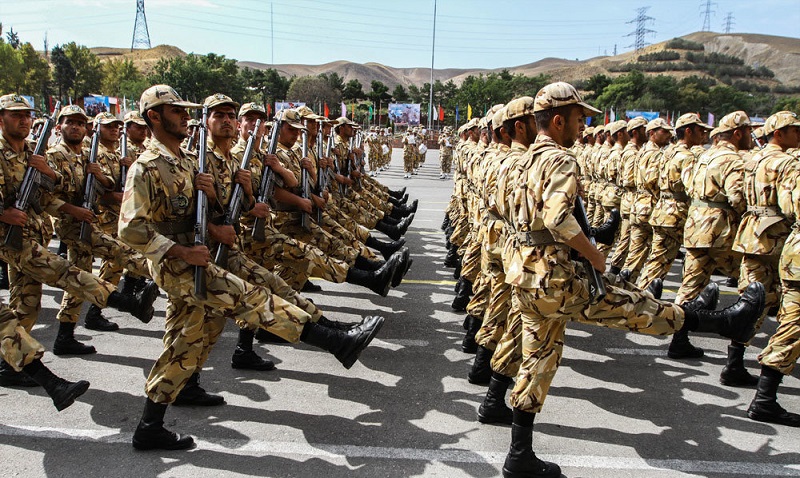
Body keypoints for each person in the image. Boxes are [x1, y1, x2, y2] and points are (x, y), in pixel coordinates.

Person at [497, 82, 765, 478]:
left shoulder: (514, 162)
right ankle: (721, 323)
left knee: (539, 359)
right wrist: (595, 255)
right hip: (555, 278)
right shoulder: (559, 160)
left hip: (524, 275)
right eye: (578, 118)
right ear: (557, 120)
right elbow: (557, 217)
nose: (583, 126)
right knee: (641, 309)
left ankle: (519, 456)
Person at [120, 86, 386, 451]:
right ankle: (336, 341)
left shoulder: (183, 161)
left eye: (185, 110)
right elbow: (131, 230)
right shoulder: (147, 166)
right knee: (253, 300)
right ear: (154, 116)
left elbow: (203, 214)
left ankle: (156, 419)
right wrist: (183, 249)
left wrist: (216, 202)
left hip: (206, 254)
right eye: (175, 111)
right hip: (178, 264)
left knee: (191, 335)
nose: (184, 116)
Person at [0, 95, 158, 387]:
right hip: (16, 238)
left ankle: (16, 362)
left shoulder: (33, 152)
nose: (22, 120)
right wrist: (4, 213)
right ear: (1, 119)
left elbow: (48, 191)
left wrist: (48, 172)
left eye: (25, 115)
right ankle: (128, 299)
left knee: (26, 304)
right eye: (15, 115)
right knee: (68, 272)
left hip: (36, 232)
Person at [747, 111, 800, 427]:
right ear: (781, 132)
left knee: (764, 301)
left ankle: (738, 363)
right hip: (782, 239)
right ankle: (764, 399)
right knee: (793, 320)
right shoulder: (788, 163)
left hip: (771, 235)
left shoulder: (758, 159)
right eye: (794, 129)